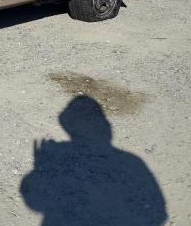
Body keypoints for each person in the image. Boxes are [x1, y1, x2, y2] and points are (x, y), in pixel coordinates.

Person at [20, 96, 167, 226]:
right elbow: (158, 214)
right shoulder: (133, 162)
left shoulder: (132, 162)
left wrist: (41, 168)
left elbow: (35, 200)